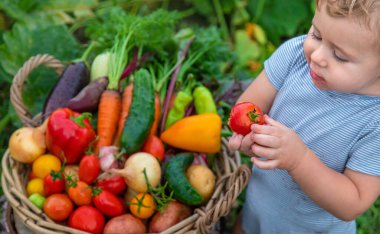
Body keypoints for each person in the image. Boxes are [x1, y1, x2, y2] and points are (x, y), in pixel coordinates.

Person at [228, 0, 380, 233]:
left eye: (339, 55)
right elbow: (249, 105)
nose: (317, 56)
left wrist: (299, 160)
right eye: (316, 35)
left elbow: (353, 201)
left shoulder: (374, 122)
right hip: (258, 210)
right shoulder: (296, 56)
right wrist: (250, 136)